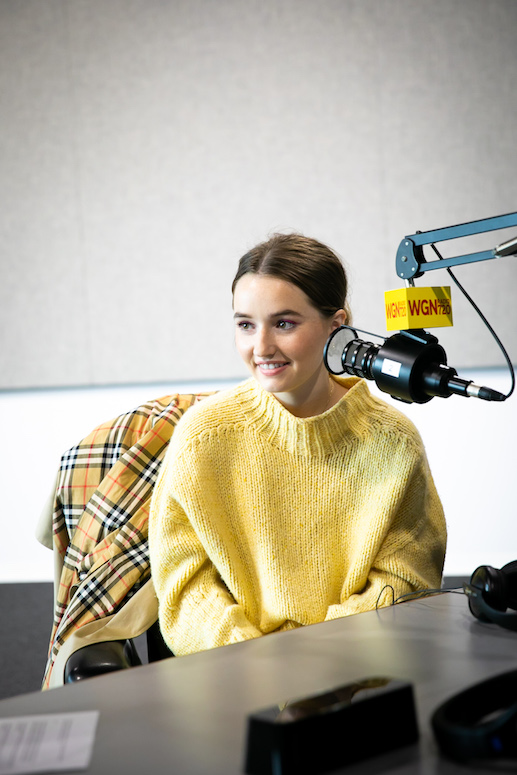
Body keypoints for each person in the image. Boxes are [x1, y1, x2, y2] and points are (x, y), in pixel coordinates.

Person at [149, 233, 447, 656]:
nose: (261, 347)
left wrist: (319, 658)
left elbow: (406, 578)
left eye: (284, 324)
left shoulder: (394, 441)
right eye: (245, 325)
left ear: (336, 327)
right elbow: (184, 589)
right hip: (235, 673)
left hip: (356, 669)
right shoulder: (203, 436)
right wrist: (257, 663)